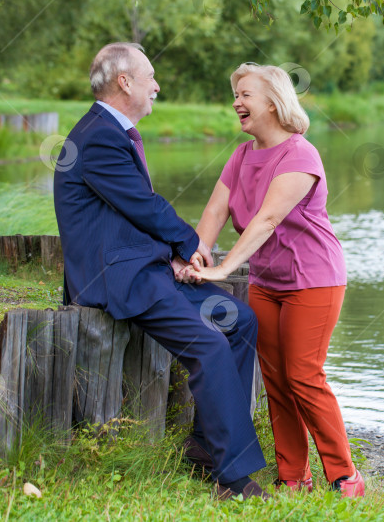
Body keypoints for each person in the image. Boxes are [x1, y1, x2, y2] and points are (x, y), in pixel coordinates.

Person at [53, 43, 267, 500]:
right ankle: (232, 479)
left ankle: (206, 448)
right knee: (208, 344)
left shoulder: (112, 132)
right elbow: (143, 206)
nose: (157, 86)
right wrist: (190, 244)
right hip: (117, 279)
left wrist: (171, 257)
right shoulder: (97, 137)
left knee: (240, 321)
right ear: (123, 82)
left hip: (145, 269)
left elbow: (125, 215)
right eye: (150, 77)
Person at [190, 63, 365, 497]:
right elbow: (215, 211)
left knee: (304, 374)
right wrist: (198, 252)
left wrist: (224, 267)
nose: (236, 102)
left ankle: (345, 476)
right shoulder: (241, 156)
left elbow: (268, 218)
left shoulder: (300, 154)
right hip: (267, 282)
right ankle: (293, 476)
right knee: (276, 380)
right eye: (235, 95)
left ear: (272, 101)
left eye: (245, 94)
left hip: (314, 279)